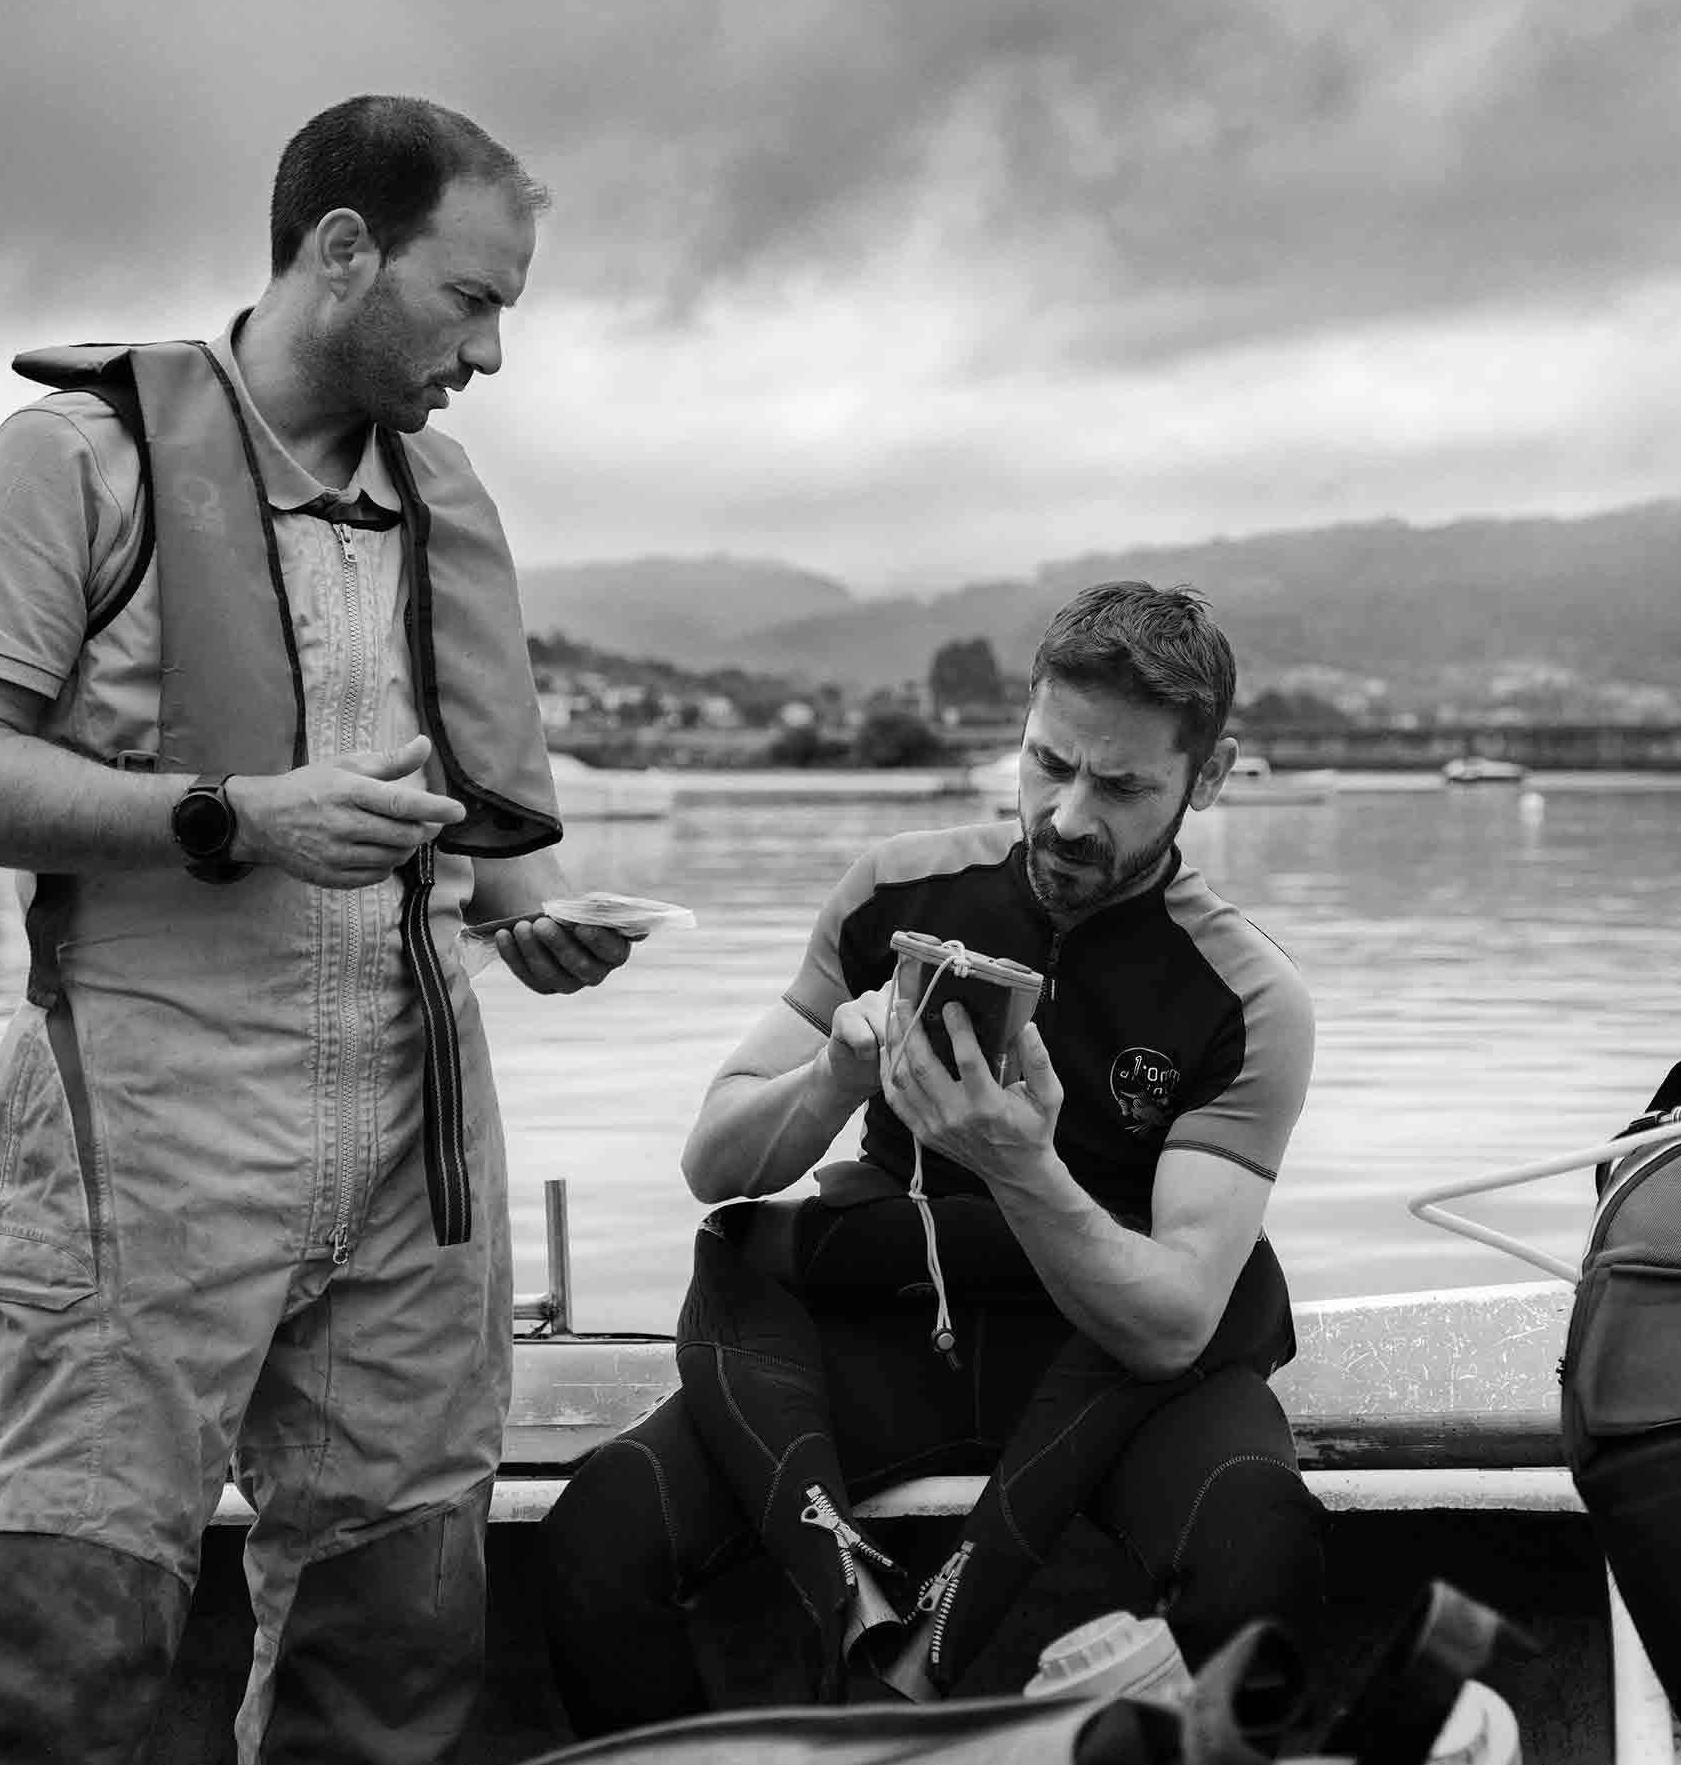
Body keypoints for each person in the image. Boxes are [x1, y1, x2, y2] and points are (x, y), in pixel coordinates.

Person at [0, 95, 635, 1765]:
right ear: (342, 252)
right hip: (142, 1139)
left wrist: (537, 922)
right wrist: (236, 814)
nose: (497, 351)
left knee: (397, 1647)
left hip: (411, 1152)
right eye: (473, 298)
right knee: (64, 1659)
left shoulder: (446, 503)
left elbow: (488, 856)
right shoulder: (74, 463)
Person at [534, 581, 1328, 1731]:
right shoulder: (897, 893)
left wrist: (1021, 1166)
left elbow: (1173, 1321)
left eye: (1121, 786)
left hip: (1110, 1355)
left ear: (1208, 778)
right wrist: (836, 1078)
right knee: (600, 1533)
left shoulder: (1248, 995)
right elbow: (716, 1162)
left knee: (1263, 1545)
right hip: (891, 1319)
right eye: (1048, 762)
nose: (1064, 816)